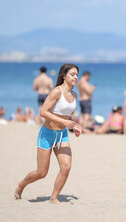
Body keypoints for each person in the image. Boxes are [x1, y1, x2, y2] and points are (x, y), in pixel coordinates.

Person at [14, 64, 82, 204]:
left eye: (76, 74)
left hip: (61, 135)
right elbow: (43, 112)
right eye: (72, 74)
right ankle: (21, 184)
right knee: (41, 173)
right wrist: (64, 123)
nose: (76, 77)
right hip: (47, 135)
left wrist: (74, 125)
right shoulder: (56, 92)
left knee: (66, 167)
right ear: (64, 76)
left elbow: (66, 116)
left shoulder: (74, 95)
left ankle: (54, 197)